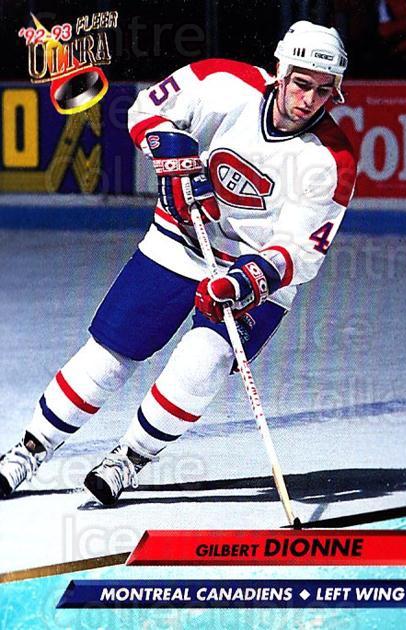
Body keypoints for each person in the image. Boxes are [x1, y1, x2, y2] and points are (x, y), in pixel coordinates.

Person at [0, 21, 357, 506]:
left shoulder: (332, 159)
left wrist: (245, 281)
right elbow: (146, 109)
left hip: (251, 271)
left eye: (323, 90)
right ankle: (29, 449)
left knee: (203, 362)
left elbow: (302, 252)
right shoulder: (221, 82)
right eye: (301, 83)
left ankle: (129, 458)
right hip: (179, 240)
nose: (309, 100)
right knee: (110, 354)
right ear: (280, 69)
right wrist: (169, 154)